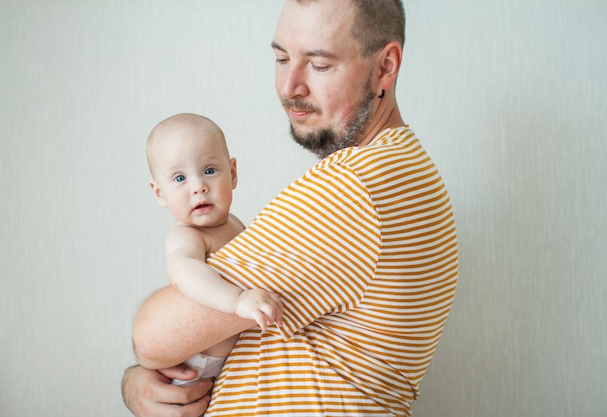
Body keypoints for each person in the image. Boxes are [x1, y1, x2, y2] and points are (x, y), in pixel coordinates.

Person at [123, 0, 459, 416]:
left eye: (318, 65)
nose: (289, 87)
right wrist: (145, 384)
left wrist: (136, 377)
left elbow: (153, 339)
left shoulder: (352, 187)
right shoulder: (406, 167)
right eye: (281, 58)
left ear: (385, 66)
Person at [144, 113, 283, 385]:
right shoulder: (187, 236)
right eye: (180, 178)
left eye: (209, 171)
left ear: (232, 174)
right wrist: (237, 300)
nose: (199, 187)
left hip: (234, 363)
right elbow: (185, 272)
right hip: (197, 366)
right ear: (159, 193)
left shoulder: (234, 223)